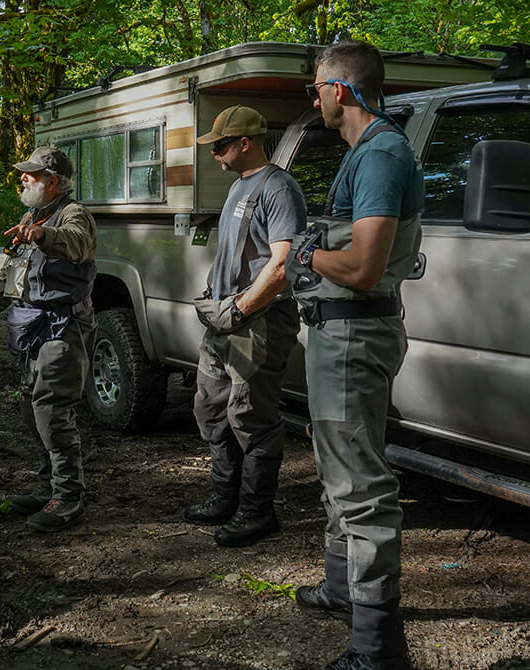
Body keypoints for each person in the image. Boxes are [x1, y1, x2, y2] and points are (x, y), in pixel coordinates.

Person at [286, 40, 424, 670]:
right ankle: (341, 589)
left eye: (316, 88)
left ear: (340, 90)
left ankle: (376, 649)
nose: (312, 98)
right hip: (339, 334)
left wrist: (304, 257)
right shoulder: (369, 153)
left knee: (361, 488)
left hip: (352, 335)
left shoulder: (382, 155)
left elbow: (365, 267)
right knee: (338, 466)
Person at [0, 146, 97, 532]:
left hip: (64, 330)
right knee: (31, 411)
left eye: (30, 174)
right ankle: (48, 488)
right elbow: (8, 278)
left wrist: (42, 235)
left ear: (52, 181)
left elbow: (77, 243)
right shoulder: (29, 216)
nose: (23, 178)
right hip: (32, 331)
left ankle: (68, 498)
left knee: (52, 411)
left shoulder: (73, 215)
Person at [183, 106, 306, 547]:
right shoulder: (239, 186)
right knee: (210, 407)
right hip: (224, 320)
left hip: (258, 321)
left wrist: (240, 309)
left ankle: (257, 512)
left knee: (250, 416)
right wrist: (220, 308)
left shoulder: (278, 188)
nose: (214, 153)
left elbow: (283, 263)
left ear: (245, 143)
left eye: (219, 145)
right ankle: (225, 497)